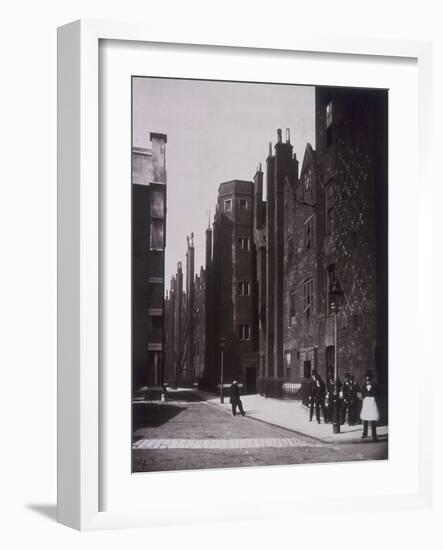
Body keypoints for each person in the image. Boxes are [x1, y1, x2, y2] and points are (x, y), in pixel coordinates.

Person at [360, 371, 379, 440]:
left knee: (373, 418)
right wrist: (363, 397)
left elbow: (378, 393)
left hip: (372, 402)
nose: (367, 378)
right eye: (366, 377)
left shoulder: (375, 385)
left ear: (371, 378)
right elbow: (362, 393)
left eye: (369, 377)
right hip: (366, 402)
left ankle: (374, 435)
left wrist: (374, 397)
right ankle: (365, 433)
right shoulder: (363, 386)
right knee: (365, 418)